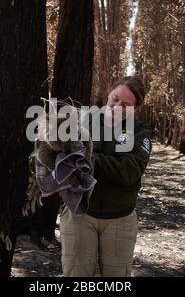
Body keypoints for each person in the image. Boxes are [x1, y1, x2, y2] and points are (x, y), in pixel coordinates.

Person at [60, 76, 152, 277]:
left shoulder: (140, 132)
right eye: (115, 99)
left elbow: (129, 171)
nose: (118, 106)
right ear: (108, 95)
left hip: (119, 218)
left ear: (136, 109)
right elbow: (61, 155)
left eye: (126, 104)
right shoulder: (83, 120)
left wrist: (87, 157)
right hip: (79, 214)